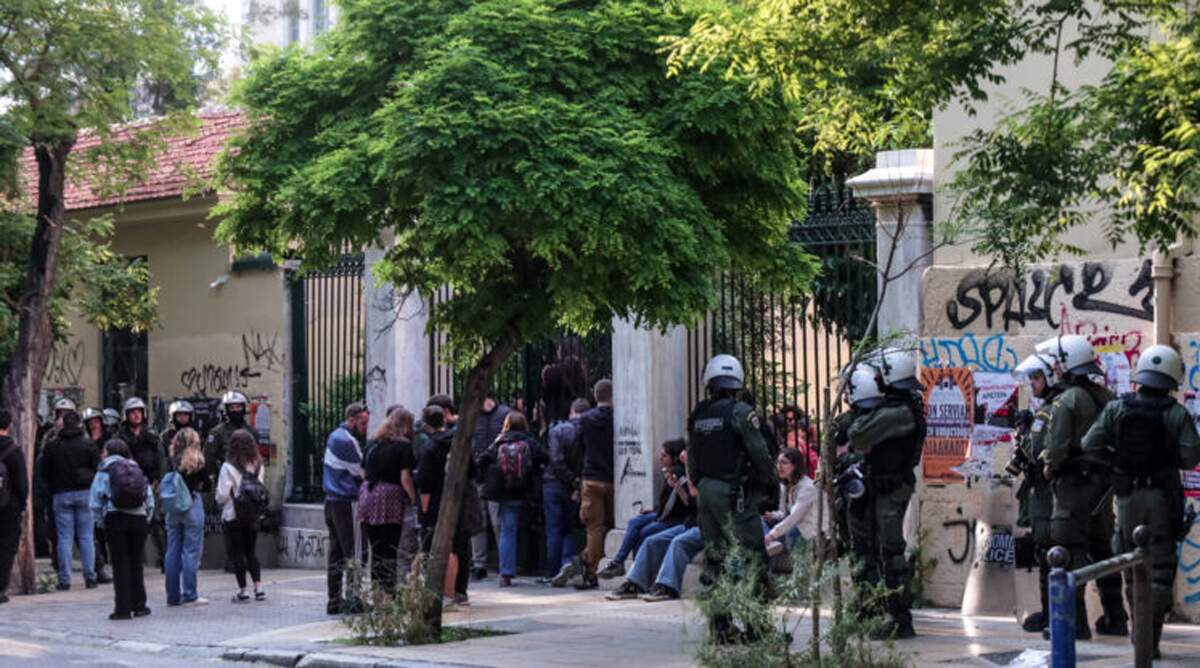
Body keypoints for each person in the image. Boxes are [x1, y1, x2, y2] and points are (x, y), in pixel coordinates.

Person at [1082, 344, 1200, 659]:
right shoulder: (1176, 413)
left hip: (1126, 498)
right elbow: (1190, 457)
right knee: (1159, 570)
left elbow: (1089, 444)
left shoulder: (1116, 408)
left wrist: (1117, 462)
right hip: (1161, 499)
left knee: (1131, 564)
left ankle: (1138, 631)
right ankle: (1151, 639)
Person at [1036, 334, 1126, 639]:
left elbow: (1056, 448)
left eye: (1057, 362)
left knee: (1068, 548)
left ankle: (1074, 623)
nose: (1055, 368)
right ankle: (1116, 617)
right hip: (1103, 486)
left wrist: (1049, 467)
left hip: (1074, 486)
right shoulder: (1108, 397)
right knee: (1103, 550)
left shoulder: (1068, 400)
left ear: (1068, 363)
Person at [687, 355, 777, 642]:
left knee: (716, 559)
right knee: (754, 559)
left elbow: (692, 458)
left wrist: (700, 485)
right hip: (733, 492)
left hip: (706, 491)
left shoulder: (699, 414)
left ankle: (720, 629)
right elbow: (759, 451)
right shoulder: (741, 412)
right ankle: (757, 628)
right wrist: (771, 481)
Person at [842, 350, 924, 640]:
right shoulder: (899, 406)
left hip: (891, 488)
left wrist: (858, 418)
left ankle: (900, 619)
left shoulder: (897, 412)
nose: (875, 379)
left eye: (879, 374)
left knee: (891, 553)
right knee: (878, 550)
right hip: (885, 486)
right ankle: (880, 609)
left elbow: (857, 434)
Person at [1010, 353, 1061, 633]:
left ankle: (1052, 614)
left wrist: (1024, 431)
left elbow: (1033, 450)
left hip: (1047, 491)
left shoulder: (1049, 411)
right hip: (1057, 490)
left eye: (1037, 378)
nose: (1033, 384)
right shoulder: (1064, 404)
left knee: (1047, 550)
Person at [415, 402, 479, 607]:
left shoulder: (429, 447)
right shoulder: (460, 442)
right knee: (462, 546)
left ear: (426, 424)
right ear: (444, 418)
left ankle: (442, 591)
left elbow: (424, 483)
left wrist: (424, 511)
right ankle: (460, 591)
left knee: (437, 547)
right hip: (461, 499)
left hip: (437, 503)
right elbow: (473, 471)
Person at [598, 438, 690, 579]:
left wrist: (675, 487)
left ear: (675, 458)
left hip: (674, 520)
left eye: (664, 456)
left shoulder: (676, 474)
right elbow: (668, 502)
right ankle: (619, 563)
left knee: (643, 532)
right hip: (663, 514)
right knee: (634, 522)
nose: (660, 458)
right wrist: (655, 511)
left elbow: (683, 503)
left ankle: (637, 574)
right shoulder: (670, 472)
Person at [89, 439, 154, 620]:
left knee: (120, 565)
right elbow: (149, 498)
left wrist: (101, 522)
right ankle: (140, 605)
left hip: (115, 518)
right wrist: (146, 517)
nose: (102, 454)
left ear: (109, 452)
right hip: (138, 518)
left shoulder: (104, 470)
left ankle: (122, 609)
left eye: (104, 450)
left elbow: (95, 501)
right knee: (136, 563)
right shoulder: (136, 468)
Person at [357, 406, 418, 591]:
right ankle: (389, 591)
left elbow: (362, 472)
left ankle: (377, 590)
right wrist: (413, 498)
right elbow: (405, 479)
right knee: (390, 547)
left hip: (368, 495)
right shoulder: (404, 446)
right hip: (390, 498)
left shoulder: (372, 443)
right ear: (406, 426)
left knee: (376, 548)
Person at [478, 411, 540, 587]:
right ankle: (529, 564)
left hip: (506, 493)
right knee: (529, 528)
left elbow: (482, 460)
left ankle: (506, 572)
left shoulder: (500, 441)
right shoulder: (529, 441)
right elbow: (544, 456)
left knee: (507, 531)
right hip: (527, 492)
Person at [42, 408, 100, 590]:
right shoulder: (88, 445)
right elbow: (98, 468)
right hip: (84, 493)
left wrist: (51, 489)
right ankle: (90, 576)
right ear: (80, 425)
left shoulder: (52, 446)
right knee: (86, 536)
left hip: (61, 494)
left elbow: (44, 471)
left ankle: (65, 579)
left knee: (64, 538)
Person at [324, 402, 368, 615]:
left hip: (332, 500)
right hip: (347, 501)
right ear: (351, 419)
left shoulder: (335, 436)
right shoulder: (346, 441)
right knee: (355, 552)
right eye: (363, 422)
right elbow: (362, 472)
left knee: (337, 552)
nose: (365, 427)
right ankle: (353, 598)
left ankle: (334, 599)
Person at [215, 429, 266, 603]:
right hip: (253, 515)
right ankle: (259, 588)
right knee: (251, 552)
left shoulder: (228, 467)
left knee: (238, 553)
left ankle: (243, 591)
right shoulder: (258, 465)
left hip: (234, 515)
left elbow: (222, 495)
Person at [574, 379, 614, 590]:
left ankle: (590, 570)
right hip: (613, 478)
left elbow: (577, 447)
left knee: (594, 528)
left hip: (590, 477)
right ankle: (606, 563)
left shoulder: (586, 419)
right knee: (612, 524)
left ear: (595, 396)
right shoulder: (618, 417)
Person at [163, 427, 210, 607]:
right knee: (191, 551)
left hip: (173, 507)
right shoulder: (197, 461)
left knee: (172, 551)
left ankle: (172, 596)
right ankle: (190, 594)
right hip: (191, 505)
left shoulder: (170, 460)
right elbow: (207, 485)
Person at [544, 398, 588, 585]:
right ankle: (567, 562)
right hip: (575, 486)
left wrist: (569, 479)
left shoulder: (558, 431)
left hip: (554, 483)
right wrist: (576, 483)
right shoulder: (588, 431)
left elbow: (555, 459)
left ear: (571, 411)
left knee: (554, 528)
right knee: (570, 527)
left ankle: (552, 570)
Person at [118, 397, 164, 569]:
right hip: (129, 483)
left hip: (151, 482)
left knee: (156, 521)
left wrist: (159, 479)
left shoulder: (152, 435)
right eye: (132, 412)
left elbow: (161, 458)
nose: (136, 415)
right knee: (132, 522)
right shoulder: (121, 436)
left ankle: (164, 557)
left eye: (139, 412)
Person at [469, 393, 510, 581]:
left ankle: (503, 563)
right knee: (478, 522)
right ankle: (479, 563)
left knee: (497, 522)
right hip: (478, 475)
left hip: (496, 476)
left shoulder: (504, 414)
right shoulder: (473, 416)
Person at [763, 447, 825, 556]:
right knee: (760, 520)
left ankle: (793, 559)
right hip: (796, 523)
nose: (779, 467)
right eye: (778, 463)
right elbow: (783, 513)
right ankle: (771, 546)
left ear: (795, 466)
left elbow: (794, 517)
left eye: (784, 463)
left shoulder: (807, 487)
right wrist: (773, 515)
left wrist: (771, 535)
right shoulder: (784, 486)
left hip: (811, 528)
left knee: (791, 530)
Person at [0, 409, 29, 604]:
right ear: (9, 426)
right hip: (8, 506)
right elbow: (21, 483)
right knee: (6, 547)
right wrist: (21, 504)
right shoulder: (14, 451)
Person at [205, 392, 250, 481]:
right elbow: (208, 456)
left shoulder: (250, 431)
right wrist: (213, 475)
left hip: (246, 478)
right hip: (225, 478)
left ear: (244, 408)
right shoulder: (217, 432)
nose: (235, 410)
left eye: (238, 407)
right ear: (226, 410)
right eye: (231, 407)